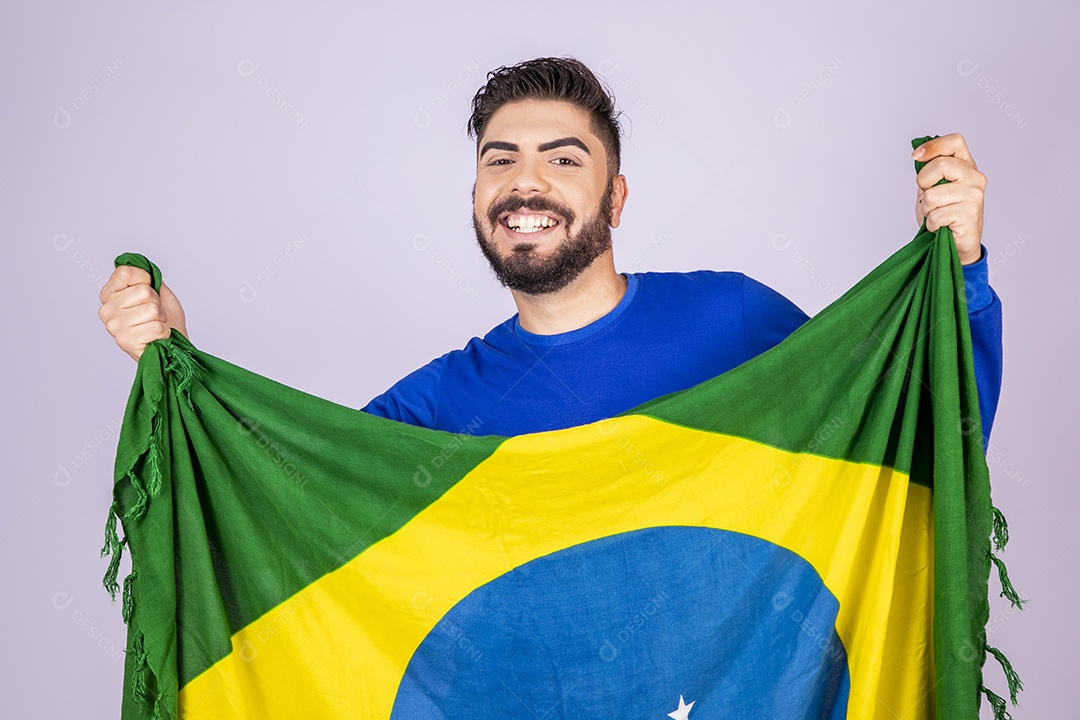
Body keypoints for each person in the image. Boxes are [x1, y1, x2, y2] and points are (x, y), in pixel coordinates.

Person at [98, 56, 1002, 444]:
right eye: (502, 161)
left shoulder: (732, 316)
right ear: (479, 197)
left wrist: (956, 269)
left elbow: (916, 432)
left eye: (562, 160)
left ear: (614, 198)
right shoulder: (435, 408)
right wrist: (175, 364)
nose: (526, 185)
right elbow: (282, 497)